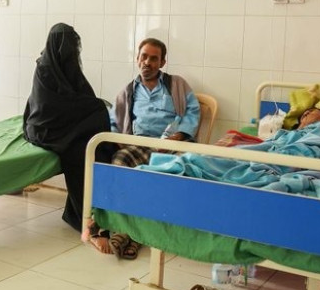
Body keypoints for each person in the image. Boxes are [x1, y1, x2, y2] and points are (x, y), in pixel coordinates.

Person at [90, 37, 201, 258]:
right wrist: (123, 142)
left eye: (153, 58)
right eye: (144, 57)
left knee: (185, 167)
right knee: (119, 161)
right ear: (137, 58)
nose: (147, 62)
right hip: (140, 144)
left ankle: (140, 235)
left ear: (162, 62)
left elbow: (192, 112)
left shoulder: (177, 84)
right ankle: (124, 230)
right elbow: (114, 122)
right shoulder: (128, 91)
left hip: (172, 144)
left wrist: (178, 136)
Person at [23, 23, 112, 234]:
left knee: (100, 147)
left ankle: (100, 213)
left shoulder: (67, 66)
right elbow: (50, 105)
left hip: (62, 124)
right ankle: (82, 216)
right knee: (80, 151)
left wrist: (95, 105)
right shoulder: (45, 68)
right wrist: (94, 106)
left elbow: (81, 95)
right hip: (45, 127)